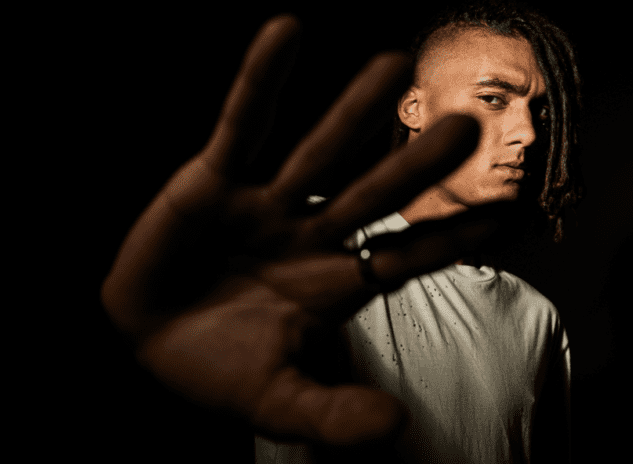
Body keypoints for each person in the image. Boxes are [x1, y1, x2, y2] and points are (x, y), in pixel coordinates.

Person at [101, 1, 583, 463]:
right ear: (412, 107)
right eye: (494, 99)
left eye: (538, 111)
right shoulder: (305, 250)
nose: (529, 134)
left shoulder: (535, 318)